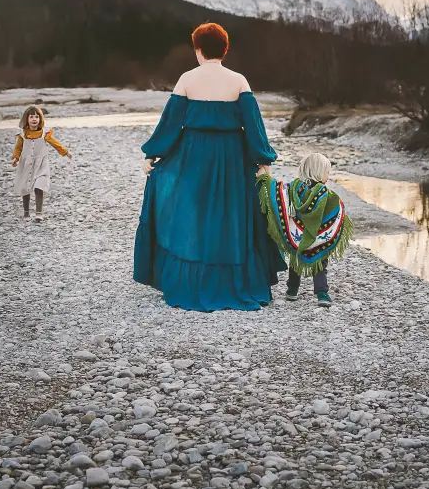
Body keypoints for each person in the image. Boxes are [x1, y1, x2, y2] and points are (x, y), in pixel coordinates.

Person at [134, 23, 287, 311]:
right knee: (230, 216)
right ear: (224, 49)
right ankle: (234, 279)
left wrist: (152, 154)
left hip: (194, 154)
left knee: (193, 214)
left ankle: (193, 280)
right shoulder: (239, 80)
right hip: (232, 155)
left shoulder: (187, 79)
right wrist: (263, 160)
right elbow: (254, 126)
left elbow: (170, 123)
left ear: (198, 49)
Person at [260, 152, 353, 307]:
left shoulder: (295, 189)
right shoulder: (327, 195)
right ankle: (322, 293)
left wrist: (266, 180)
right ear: (318, 172)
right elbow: (335, 208)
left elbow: (279, 195)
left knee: (296, 260)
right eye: (327, 173)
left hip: (298, 236)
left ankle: (292, 290)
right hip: (317, 237)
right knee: (320, 261)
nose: (328, 176)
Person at [11, 105, 70, 221]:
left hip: (41, 165)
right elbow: (18, 148)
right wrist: (15, 158)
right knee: (25, 187)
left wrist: (65, 152)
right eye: (31, 117)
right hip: (26, 164)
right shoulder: (22, 135)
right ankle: (26, 213)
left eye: (37, 117)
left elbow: (55, 143)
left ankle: (39, 213)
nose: (34, 119)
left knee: (39, 186)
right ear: (26, 119)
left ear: (40, 119)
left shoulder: (44, 134)